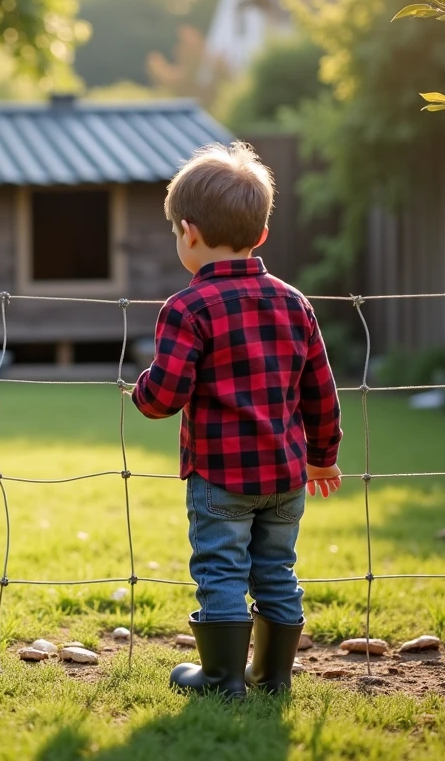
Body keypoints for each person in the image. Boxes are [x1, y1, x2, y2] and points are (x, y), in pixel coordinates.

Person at [129, 141, 343, 699]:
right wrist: (323, 457)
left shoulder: (186, 308)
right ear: (262, 235)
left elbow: (166, 394)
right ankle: (272, 676)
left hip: (221, 477)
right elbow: (320, 389)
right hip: (286, 476)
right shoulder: (295, 303)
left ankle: (222, 678)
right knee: (277, 570)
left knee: (220, 570)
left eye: (177, 232)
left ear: (189, 233)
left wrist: (141, 393)